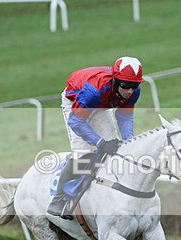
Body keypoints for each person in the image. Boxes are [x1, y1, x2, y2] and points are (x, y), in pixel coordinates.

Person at [47, 56, 144, 218]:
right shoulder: (94, 90)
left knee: (116, 149)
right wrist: (99, 142)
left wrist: (130, 143)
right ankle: (59, 200)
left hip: (101, 105)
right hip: (76, 104)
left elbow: (125, 117)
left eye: (135, 85)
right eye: (126, 85)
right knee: (83, 156)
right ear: (115, 80)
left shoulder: (133, 92)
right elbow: (76, 121)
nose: (130, 91)